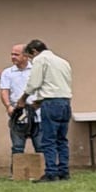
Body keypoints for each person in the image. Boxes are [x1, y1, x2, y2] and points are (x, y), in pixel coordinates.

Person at [22, 37, 74, 181]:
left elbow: (34, 82)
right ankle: (64, 170)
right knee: (61, 139)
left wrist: (23, 98)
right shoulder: (63, 62)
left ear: (34, 52)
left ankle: (51, 172)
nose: (30, 60)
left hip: (51, 104)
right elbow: (57, 85)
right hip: (65, 102)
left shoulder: (40, 59)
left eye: (29, 57)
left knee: (49, 139)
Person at [0, 42, 39, 158]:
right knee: (17, 146)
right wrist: (8, 106)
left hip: (37, 113)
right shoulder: (7, 73)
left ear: (26, 56)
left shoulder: (36, 70)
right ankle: (16, 173)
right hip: (18, 113)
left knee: (40, 145)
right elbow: (4, 91)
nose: (13, 57)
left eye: (16, 54)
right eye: (12, 54)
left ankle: (44, 172)